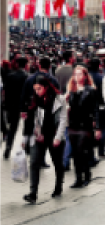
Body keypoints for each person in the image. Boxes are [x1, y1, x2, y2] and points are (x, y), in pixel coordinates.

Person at [23, 75, 67, 203]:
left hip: (54, 135)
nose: (37, 92)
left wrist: (58, 138)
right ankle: (33, 193)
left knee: (57, 163)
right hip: (40, 136)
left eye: (39, 89)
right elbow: (34, 119)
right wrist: (36, 133)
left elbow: (63, 120)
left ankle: (58, 186)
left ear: (46, 87)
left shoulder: (59, 99)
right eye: (35, 89)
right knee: (34, 162)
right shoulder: (36, 100)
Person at [66, 66, 101, 188]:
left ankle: (86, 175)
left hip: (85, 125)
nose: (77, 77)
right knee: (75, 153)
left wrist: (97, 127)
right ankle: (78, 178)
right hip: (73, 125)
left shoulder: (90, 90)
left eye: (80, 74)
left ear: (85, 76)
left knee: (82, 151)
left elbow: (96, 108)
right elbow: (69, 108)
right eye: (75, 74)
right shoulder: (71, 90)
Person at [3, 56, 29, 159]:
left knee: (12, 128)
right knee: (27, 128)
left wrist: (7, 104)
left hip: (13, 105)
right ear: (26, 65)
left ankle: (8, 147)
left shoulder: (10, 76)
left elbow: (6, 92)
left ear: (17, 64)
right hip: (25, 106)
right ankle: (27, 148)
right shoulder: (28, 76)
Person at [88, 57, 105, 159]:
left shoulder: (85, 77)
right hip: (100, 107)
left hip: (87, 107)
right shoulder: (102, 78)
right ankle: (101, 152)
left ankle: (90, 152)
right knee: (101, 129)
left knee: (89, 130)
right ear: (99, 66)